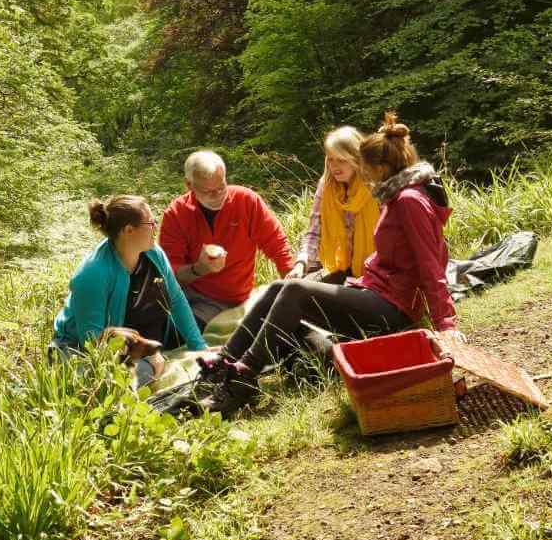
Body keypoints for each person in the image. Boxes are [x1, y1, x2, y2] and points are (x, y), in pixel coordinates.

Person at [194, 114, 458, 416]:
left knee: (294, 292)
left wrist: (446, 325)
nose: (365, 176)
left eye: (367, 170)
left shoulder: (409, 200)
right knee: (282, 286)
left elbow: (430, 264)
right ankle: (224, 363)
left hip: (392, 308)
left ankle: (242, 379)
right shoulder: (398, 195)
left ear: (382, 168)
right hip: (374, 291)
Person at [52, 195, 209, 387]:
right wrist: (148, 359)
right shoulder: (92, 275)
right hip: (77, 350)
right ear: (129, 230)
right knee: (119, 380)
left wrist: (199, 348)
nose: (155, 228)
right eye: (150, 223)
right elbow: (92, 343)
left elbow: (175, 299)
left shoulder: (154, 254)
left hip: (133, 338)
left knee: (204, 324)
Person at [159, 150, 294, 329]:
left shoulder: (246, 201)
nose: (217, 196)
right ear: (189, 185)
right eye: (208, 191)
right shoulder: (176, 213)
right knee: (168, 331)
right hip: (193, 296)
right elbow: (169, 275)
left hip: (236, 298)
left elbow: (277, 244)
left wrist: (293, 282)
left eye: (221, 187)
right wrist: (199, 269)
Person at [290, 125, 380, 284]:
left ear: (356, 159)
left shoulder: (377, 187)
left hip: (374, 274)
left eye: (341, 160)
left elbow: (390, 240)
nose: (334, 166)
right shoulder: (326, 187)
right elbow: (313, 233)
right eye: (330, 159)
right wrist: (301, 264)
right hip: (338, 267)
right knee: (288, 288)